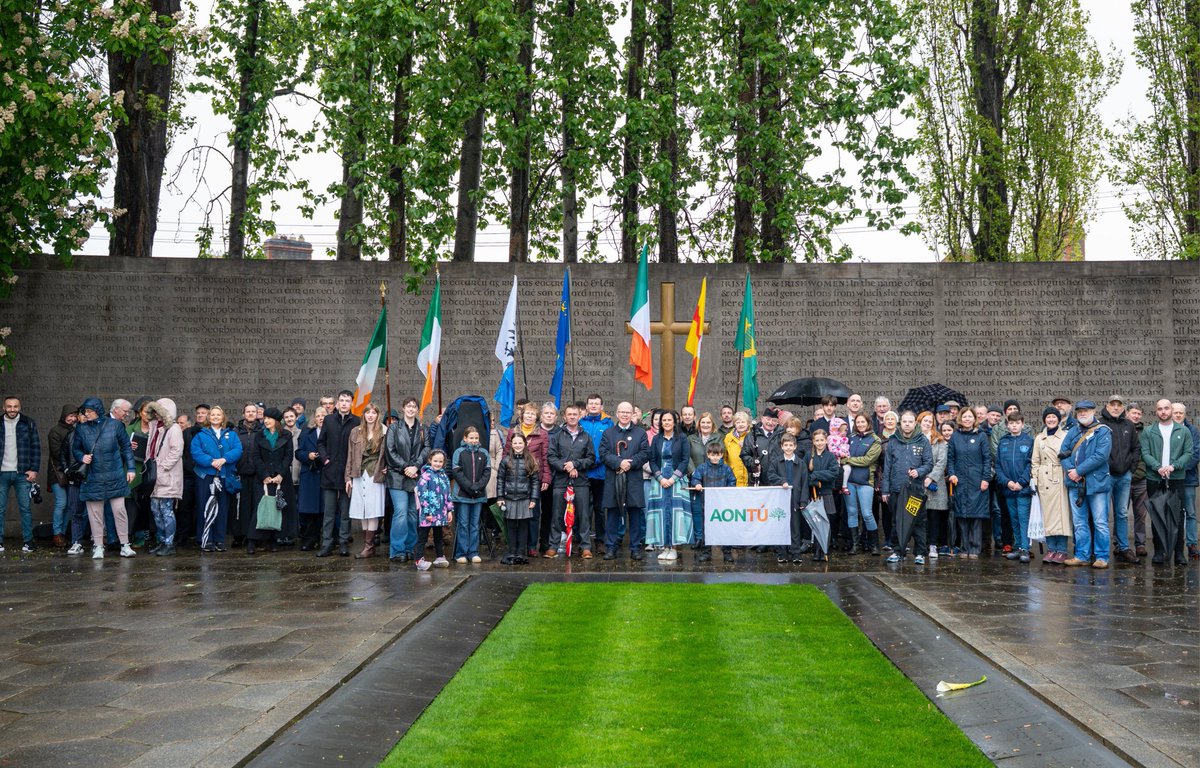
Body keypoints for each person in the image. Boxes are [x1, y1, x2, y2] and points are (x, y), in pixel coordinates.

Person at [72, 397, 135, 559]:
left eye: (90, 411)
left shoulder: (115, 425)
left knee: (119, 510)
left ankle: (125, 544)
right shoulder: (81, 429)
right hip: (93, 476)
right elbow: (76, 449)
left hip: (115, 474)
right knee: (95, 513)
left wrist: (131, 469)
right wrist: (82, 457)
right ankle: (98, 545)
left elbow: (127, 447)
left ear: (98, 410)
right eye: (85, 411)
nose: (87, 414)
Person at [1138, 399, 1193, 566]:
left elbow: (1188, 453)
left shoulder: (1183, 431)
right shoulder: (1149, 431)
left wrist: (1173, 466)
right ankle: (1159, 551)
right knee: (1157, 515)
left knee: (1177, 515)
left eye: (1166, 408)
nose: (1163, 411)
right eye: (1160, 409)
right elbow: (1145, 453)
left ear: (1171, 410)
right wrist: (1158, 467)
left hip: (1176, 478)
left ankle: (1178, 553)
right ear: (1156, 412)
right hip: (1155, 478)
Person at [1060, 401, 1114, 568]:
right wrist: (1071, 471)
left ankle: (1102, 557)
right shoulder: (1072, 431)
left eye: (1086, 411)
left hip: (1097, 484)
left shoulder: (1103, 431)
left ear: (1093, 411)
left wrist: (1079, 471)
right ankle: (1081, 555)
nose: (1082, 414)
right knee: (1080, 522)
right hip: (1075, 484)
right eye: (1080, 411)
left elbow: (1100, 456)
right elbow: (1063, 452)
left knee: (1100, 522)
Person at [880, 411, 933, 564]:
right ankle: (898, 551)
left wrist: (919, 471)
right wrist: (885, 489)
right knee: (897, 521)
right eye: (904, 421)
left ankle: (920, 553)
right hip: (897, 489)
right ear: (900, 423)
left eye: (910, 421)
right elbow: (887, 467)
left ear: (915, 423)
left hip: (915, 490)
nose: (907, 424)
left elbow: (929, 463)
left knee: (917, 522)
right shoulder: (893, 441)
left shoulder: (923, 441)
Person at [599, 401, 650, 560]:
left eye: (628, 412)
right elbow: (603, 453)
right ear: (617, 413)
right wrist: (618, 463)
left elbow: (644, 453)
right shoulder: (608, 433)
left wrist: (630, 463)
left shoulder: (640, 433)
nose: (625, 415)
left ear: (632, 414)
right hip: (614, 480)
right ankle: (611, 547)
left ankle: (635, 548)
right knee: (613, 514)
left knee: (635, 515)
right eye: (622, 412)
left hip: (633, 480)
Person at [191, 405, 242, 552]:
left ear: (223, 417)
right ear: (208, 417)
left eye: (218, 415)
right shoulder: (200, 434)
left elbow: (237, 450)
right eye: (212, 415)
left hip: (224, 475)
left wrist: (224, 459)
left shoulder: (231, 434)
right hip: (205, 476)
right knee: (204, 508)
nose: (215, 417)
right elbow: (196, 452)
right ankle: (206, 539)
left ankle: (219, 540)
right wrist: (211, 462)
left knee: (222, 508)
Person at [546, 403, 595, 558]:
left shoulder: (586, 436)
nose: (572, 417)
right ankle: (553, 546)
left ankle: (585, 546)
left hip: (581, 481)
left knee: (583, 515)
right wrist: (565, 467)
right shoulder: (557, 436)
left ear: (579, 416)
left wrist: (576, 464)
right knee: (557, 514)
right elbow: (551, 457)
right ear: (564, 416)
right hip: (561, 481)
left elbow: (591, 458)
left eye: (575, 414)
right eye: (569, 414)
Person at [316, 390, 360, 557]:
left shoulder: (356, 421)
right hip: (330, 471)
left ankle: (343, 542)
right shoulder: (328, 420)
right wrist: (325, 459)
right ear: (337, 403)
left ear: (351, 403)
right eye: (341, 400)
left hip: (347, 474)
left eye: (347, 401)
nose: (343, 403)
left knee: (345, 510)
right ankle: (326, 543)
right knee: (329, 511)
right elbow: (321, 442)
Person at [248, 407, 296, 555]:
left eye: (270, 418)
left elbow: (288, 456)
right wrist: (264, 475)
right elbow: (255, 456)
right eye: (265, 418)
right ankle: (252, 541)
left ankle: (273, 540)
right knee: (260, 509)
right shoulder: (259, 436)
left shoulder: (286, 435)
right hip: (263, 479)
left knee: (277, 509)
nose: (266, 421)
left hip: (280, 479)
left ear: (277, 421)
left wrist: (280, 474)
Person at [384, 397, 427, 562]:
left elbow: (427, 449)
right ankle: (397, 550)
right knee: (401, 513)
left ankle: (411, 548)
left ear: (417, 410)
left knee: (412, 514)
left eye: (414, 406)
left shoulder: (423, 428)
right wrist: (405, 468)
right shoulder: (394, 428)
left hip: (415, 476)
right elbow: (390, 451)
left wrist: (415, 466)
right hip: (397, 476)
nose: (411, 409)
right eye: (408, 406)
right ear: (403, 408)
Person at [1099, 395, 1141, 564]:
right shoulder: (1100, 424)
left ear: (1123, 408)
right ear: (1107, 406)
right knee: (1101, 514)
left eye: (1119, 405)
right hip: (1106, 476)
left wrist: (1131, 469)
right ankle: (1100, 550)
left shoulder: (1128, 425)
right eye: (1112, 405)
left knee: (1122, 513)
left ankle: (1123, 548)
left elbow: (1136, 448)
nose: (1116, 408)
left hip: (1124, 476)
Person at [507, 402, 551, 558]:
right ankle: (516, 546)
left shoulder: (542, 434)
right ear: (522, 415)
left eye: (533, 414)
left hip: (534, 479)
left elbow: (545, 457)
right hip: (515, 479)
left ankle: (532, 545)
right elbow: (507, 454)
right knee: (515, 514)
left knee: (533, 514)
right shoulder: (513, 431)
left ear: (536, 417)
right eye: (527, 413)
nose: (530, 416)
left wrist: (546, 477)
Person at [947, 407, 992, 559]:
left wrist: (986, 478)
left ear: (975, 419)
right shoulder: (955, 437)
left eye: (969, 417)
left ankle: (974, 548)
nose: (967, 419)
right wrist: (952, 474)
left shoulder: (982, 436)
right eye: (964, 417)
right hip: (960, 481)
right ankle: (964, 548)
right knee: (962, 515)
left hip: (977, 481)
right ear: (960, 418)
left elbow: (987, 459)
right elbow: (951, 458)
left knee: (976, 515)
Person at [345, 404, 387, 559]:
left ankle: (369, 547)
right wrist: (347, 477)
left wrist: (387, 467)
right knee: (362, 510)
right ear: (363, 415)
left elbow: (388, 452)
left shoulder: (384, 432)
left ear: (377, 415)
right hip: (358, 473)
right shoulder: (355, 432)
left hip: (374, 474)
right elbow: (350, 455)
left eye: (373, 412)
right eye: (367, 412)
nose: (370, 415)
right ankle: (367, 546)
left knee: (372, 510)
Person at [648, 410, 690, 561]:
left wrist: (672, 479)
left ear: (674, 422)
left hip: (676, 480)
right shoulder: (656, 439)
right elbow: (652, 460)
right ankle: (664, 547)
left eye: (669, 420)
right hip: (659, 481)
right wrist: (660, 478)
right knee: (661, 513)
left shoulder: (682, 438)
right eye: (663, 420)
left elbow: (685, 460)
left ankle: (674, 547)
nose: (666, 422)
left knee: (675, 513)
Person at [1031, 406, 1071, 564]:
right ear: (1044, 420)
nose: (1051, 419)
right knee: (1046, 516)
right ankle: (1051, 549)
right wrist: (1035, 479)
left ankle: (1061, 550)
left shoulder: (1066, 436)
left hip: (1059, 478)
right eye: (1048, 417)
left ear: (1059, 419)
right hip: (1043, 481)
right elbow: (1035, 461)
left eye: (1054, 417)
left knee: (1060, 516)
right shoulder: (1039, 438)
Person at [995, 411, 1035, 563]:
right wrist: (1008, 482)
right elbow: (998, 465)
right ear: (1007, 425)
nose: (1014, 426)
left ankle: (1025, 548)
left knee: (1023, 518)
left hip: (1023, 488)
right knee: (1014, 519)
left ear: (1022, 424)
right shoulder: (1003, 441)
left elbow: (1031, 464)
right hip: (1008, 488)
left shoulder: (1029, 441)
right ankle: (1018, 547)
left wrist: (1021, 482)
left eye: (1017, 423)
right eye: (1011, 423)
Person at [146, 398, 184, 556]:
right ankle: (161, 541)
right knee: (156, 510)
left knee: (166, 510)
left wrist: (163, 467)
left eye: (159, 411)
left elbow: (176, 450)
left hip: (168, 477)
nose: (156, 414)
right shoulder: (154, 427)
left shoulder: (174, 428)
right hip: (155, 477)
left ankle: (169, 543)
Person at [690, 441, 737, 563]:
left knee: (725, 528)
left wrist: (728, 490)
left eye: (717, 455)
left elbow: (732, 481)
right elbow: (695, 478)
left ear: (721, 455)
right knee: (707, 529)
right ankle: (706, 552)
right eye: (712, 454)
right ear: (708, 455)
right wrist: (698, 484)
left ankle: (727, 552)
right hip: (707, 504)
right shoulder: (702, 468)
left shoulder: (726, 469)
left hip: (723, 505)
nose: (715, 457)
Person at [767, 432, 811, 564]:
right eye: (785, 445)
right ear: (782, 446)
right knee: (781, 526)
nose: (788, 448)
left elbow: (804, 483)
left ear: (795, 446)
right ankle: (782, 553)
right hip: (780, 499)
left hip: (795, 499)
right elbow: (771, 475)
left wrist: (803, 500)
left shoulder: (801, 463)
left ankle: (795, 553)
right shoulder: (776, 462)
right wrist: (782, 481)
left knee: (795, 526)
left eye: (790, 445)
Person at [496, 433, 538, 565]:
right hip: (509, 498)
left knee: (524, 526)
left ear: (525, 444)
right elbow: (500, 480)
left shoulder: (530, 460)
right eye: (515, 443)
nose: (518, 445)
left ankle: (521, 553)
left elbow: (535, 481)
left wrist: (533, 498)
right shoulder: (505, 461)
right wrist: (500, 496)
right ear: (511, 445)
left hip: (525, 498)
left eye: (520, 443)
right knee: (511, 526)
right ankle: (512, 551)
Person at [842, 413, 881, 555]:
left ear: (868, 423)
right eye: (858, 422)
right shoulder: (850, 438)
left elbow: (867, 460)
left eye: (862, 422)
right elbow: (841, 455)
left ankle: (874, 545)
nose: (860, 424)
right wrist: (844, 459)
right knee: (852, 513)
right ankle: (855, 545)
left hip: (865, 482)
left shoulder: (875, 440)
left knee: (867, 514)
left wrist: (849, 460)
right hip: (849, 482)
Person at [450, 425, 490, 563]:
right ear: (465, 438)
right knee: (463, 524)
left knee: (474, 525)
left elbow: (487, 472)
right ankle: (461, 553)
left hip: (478, 495)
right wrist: (470, 487)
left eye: (476, 438)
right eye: (471, 438)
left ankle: (474, 552)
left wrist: (478, 487)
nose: (474, 440)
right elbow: (457, 472)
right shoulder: (458, 452)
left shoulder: (484, 453)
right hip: (463, 495)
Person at [580, 394, 613, 550]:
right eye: (590, 403)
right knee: (584, 509)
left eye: (596, 403)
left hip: (600, 472)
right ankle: (583, 541)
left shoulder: (608, 424)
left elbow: (608, 446)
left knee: (599, 509)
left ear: (602, 407)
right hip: (583, 473)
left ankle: (600, 540)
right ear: (586, 406)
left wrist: (595, 460)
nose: (593, 406)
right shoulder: (580, 424)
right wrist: (585, 462)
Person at [413, 450, 453, 570]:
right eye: (435, 461)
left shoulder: (444, 476)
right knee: (423, 536)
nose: (438, 464)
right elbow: (422, 495)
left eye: (440, 461)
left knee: (438, 535)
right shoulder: (425, 476)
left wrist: (449, 510)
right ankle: (419, 559)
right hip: (428, 513)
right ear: (430, 460)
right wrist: (427, 512)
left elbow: (448, 494)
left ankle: (440, 556)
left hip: (440, 513)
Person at [807, 430, 842, 562]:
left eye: (822, 440)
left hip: (826, 494)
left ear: (826, 441)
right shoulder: (809, 456)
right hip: (814, 494)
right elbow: (806, 474)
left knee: (826, 522)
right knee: (816, 522)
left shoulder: (830, 456)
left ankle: (824, 549)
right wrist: (813, 480)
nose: (819, 443)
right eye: (817, 440)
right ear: (813, 442)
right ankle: (816, 550)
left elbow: (834, 473)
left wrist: (817, 475)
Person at [45, 404, 77, 548]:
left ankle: (62, 533)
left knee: (70, 505)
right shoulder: (55, 431)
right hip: (57, 473)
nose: (72, 419)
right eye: (70, 416)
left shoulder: (76, 430)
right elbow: (56, 453)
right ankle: (57, 533)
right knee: (61, 502)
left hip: (71, 472)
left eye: (74, 416)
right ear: (64, 415)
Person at [1172, 402, 1200, 560]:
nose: (1177, 415)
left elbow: (1196, 454)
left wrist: (1178, 468)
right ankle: (1173, 545)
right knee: (1172, 512)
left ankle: (1191, 544)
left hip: (1187, 479)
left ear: (1185, 414)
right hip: (1170, 479)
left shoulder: (1193, 431)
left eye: (1180, 413)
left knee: (1190, 513)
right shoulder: (1166, 430)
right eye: (1175, 412)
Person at [295, 406, 325, 551]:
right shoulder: (307, 433)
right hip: (310, 475)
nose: (321, 418)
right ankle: (309, 539)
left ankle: (324, 539)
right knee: (309, 510)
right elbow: (298, 453)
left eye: (324, 415)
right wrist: (308, 455)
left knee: (324, 510)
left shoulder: (331, 433)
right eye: (318, 415)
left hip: (326, 475)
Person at [232, 403, 261, 545]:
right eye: (248, 411)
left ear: (257, 414)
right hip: (240, 474)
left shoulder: (262, 431)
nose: (250, 414)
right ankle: (240, 535)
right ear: (243, 414)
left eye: (253, 411)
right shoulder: (235, 431)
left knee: (256, 505)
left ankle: (254, 536)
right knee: (241, 507)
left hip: (257, 475)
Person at [1126, 403, 1150, 557]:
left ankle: (1140, 544)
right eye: (1133, 413)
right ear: (1127, 413)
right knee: (1120, 514)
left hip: (1141, 479)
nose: (1136, 416)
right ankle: (1119, 544)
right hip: (1123, 479)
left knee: (1141, 514)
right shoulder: (1121, 429)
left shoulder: (1146, 432)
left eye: (1138, 413)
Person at [925, 421, 950, 558]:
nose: (927, 424)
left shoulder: (939, 441)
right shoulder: (915, 439)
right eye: (924, 421)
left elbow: (942, 461)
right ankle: (921, 544)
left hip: (936, 484)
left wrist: (931, 478)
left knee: (934, 515)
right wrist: (922, 477)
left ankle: (933, 545)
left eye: (930, 421)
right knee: (920, 516)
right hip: (918, 482)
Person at [723, 411, 752, 486]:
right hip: (733, 477)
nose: (741, 425)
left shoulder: (752, 436)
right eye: (738, 422)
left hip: (749, 477)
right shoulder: (728, 437)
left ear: (748, 423)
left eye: (743, 422)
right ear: (734, 424)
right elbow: (724, 458)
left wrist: (747, 445)